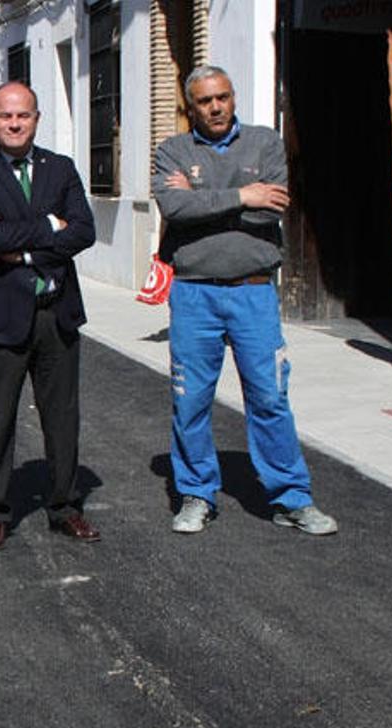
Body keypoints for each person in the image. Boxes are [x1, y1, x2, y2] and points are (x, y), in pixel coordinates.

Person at [153, 64, 336, 536]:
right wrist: (242, 195)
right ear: (189, 107)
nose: (215, 107)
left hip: (253, 293)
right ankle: (195, 494)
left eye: (223, 97)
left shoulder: (265, 143)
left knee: (270, 397)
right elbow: (174, 209)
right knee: (190, 401)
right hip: (194, 295)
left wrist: (204, 200)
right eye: (204, 101)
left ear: (232, 98)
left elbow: (271, 208)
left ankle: (291, 498)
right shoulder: (172, 149)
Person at [0, 81, 99, 552]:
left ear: (36, 119)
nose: (14, 123)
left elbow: (84, 231)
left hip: (56, 313)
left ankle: (65, 507)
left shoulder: (61, 169)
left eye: (23, 115)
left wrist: (26, 249)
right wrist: (49, 228)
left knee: (63, 418)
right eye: (5, 116)